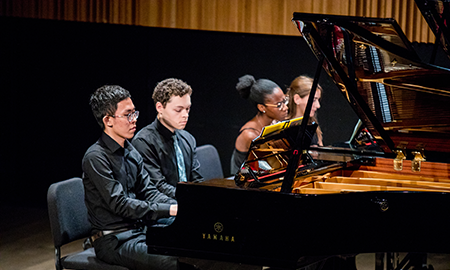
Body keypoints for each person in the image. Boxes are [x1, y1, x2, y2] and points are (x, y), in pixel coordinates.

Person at [82, 85, 180, 270]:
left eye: (135, 113)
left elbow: (149, 191)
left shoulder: (131, 150)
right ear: (108, 120)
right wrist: (168, 210)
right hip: (114, 239)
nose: (134, 120)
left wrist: (178, 205)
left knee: (190, 239)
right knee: (172, 262)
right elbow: (120, 204)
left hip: (139, 229)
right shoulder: (95, 157)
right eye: (128, 115)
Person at [132, 78, 203, 199]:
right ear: (159, 107)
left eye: (187, 109)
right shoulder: (144, 142)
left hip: (187, 202)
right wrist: (190, 198)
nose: (185, 115)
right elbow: (158, 187)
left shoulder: (188, 138)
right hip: (162, 209)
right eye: (178, 110)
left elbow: (196, 180)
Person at [230, 74, 288, 175]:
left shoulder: (273, 124)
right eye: (279, 104)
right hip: (244, 185)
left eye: (285, 101)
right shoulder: (250, 135)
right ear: (262, 107)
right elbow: (273, 164)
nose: (285, 108)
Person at [286, 75, 323, 146]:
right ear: (297, 99)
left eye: (318, 100)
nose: (318, 105)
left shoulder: (313, 125)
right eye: (313, 100)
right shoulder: (283, 129)